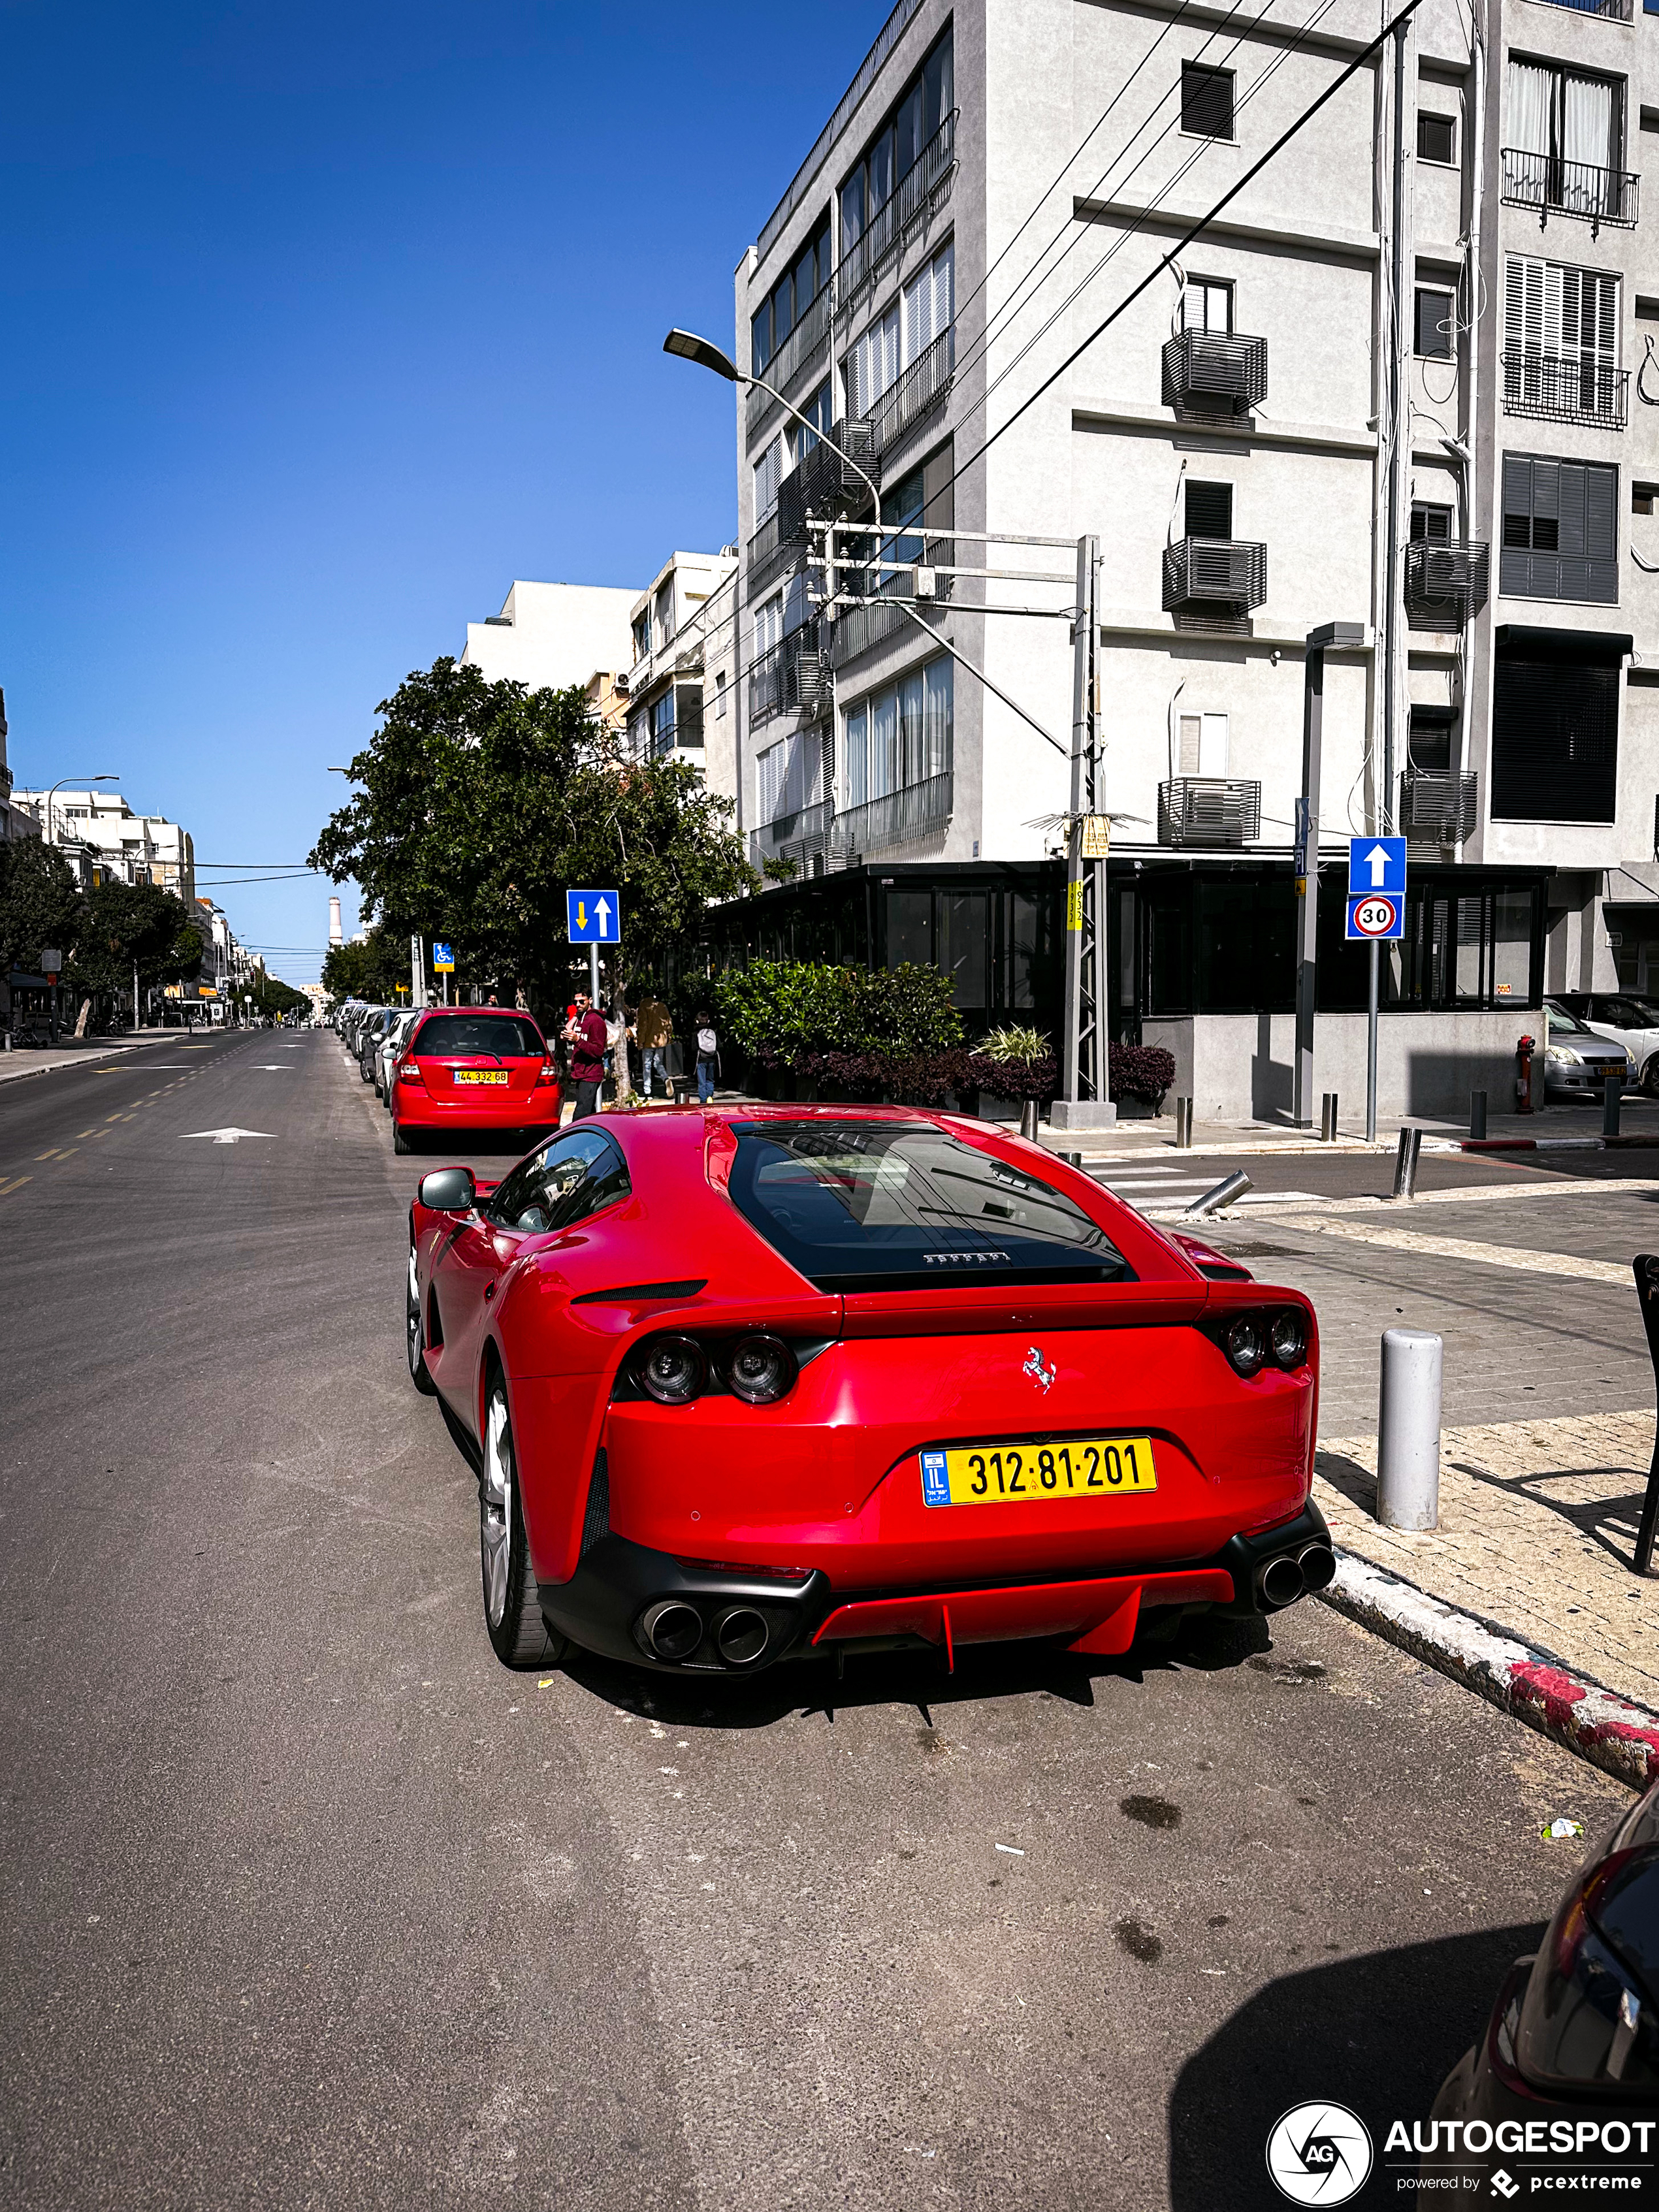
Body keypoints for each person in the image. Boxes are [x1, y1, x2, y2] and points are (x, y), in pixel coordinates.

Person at [562, 990, 609, 1120]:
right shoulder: (580, 1019)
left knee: (581, 1114)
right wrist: (576, 1016)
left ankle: (576, 1139)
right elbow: (564, 1033)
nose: (578, 1004)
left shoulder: (596, 1021)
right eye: (575, 1002)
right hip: (580, 1072)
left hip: (591, 1074)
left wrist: (577, 1040)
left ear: (590, 1000)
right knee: (589, 1114)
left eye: (582, 1001)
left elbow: (598, 1051)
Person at [635, 989, 673, 1100]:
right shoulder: (662, 1006)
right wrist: (669, 1037)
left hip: (648, 1040)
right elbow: (669, 1023)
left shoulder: (644, 1007)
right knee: (658, 1063)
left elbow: (643, 1025)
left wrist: (640, 1041)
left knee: (647, 1065)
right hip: (661, 1039)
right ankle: (665, 1078)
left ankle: (648, 1092)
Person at [694, 1010, 719, 1106]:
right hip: (712, 1059)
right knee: (710, 1080)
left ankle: (703, 1100)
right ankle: (710, 1097)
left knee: (702, 1081)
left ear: (697, 1021)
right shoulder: (713, 1032)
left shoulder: (696, 1033)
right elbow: (719, 1046)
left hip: (701, 1059)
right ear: (708, 1021)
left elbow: (694, 1048)